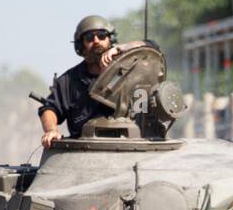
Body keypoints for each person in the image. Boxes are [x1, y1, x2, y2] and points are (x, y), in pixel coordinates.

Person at [36, 15, 158, 148]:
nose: (96, 41)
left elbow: (152, 47)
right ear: (80, 45)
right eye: (89, 38)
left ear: (111, 39)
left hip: (133, 146)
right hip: (87, 152)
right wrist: (51, 130)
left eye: (101, 35)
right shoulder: (69, 80)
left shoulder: (132, 69)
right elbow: (50, 109)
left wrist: (120, 49)